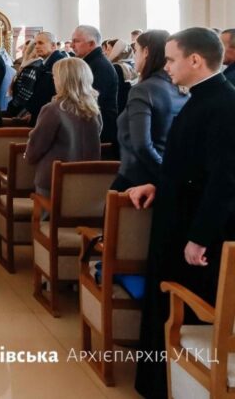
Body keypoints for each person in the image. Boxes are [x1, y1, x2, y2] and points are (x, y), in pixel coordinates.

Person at [129, 28, 235, 397]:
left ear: (195, 60)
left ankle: (175, 386)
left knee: (180, 307)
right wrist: (158, 186)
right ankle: (159, 383)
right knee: (161, 299)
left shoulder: (223, 105)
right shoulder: (201, 98)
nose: (166, 66)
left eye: (172, 59)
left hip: (193, 235)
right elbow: (191, 166)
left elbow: (224, 181)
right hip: (176, 217)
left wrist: (199, 238)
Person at [111, 30, 188, 191]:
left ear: (146, 52)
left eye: (136, 50)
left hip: (137, 178)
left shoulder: (143, 90)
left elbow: (142, 145)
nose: (134, 56)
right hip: (165, 169)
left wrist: (164, 176)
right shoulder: (178, 85)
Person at [24, 58, 103, 196]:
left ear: (62, 80)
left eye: (54, 76)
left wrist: (28, 155)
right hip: (87, 180)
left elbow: (36, 148)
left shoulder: (53, 109)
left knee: (48, 216)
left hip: (55, 183)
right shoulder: (94, 110)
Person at [70, 25, 119, 147]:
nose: (71, 45)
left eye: (76, 41)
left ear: (91, 43)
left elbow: (91, 102)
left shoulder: (99, 66)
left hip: (101, 133)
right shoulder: (90, 63)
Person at [26, 32, 67, 121]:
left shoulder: (60, 63)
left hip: (50, 117)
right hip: (41, 114)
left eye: (40, 43)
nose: (36, 46)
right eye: (35, 43)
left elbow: (56, 93)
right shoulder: (45, 62)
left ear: (53, 45)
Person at [5, 40, 43, 119]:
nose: (23, 52)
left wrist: (12, 106)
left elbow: (25, 93)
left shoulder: (32, 67)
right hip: (21, 108)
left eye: (26, 49)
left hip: (22, 110)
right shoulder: (30, 65)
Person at [107, 39, 139, 112]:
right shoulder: (131, 64)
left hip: (119, 107)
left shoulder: (117, 67)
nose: (105, 52)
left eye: (109, 49)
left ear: (117, 51)